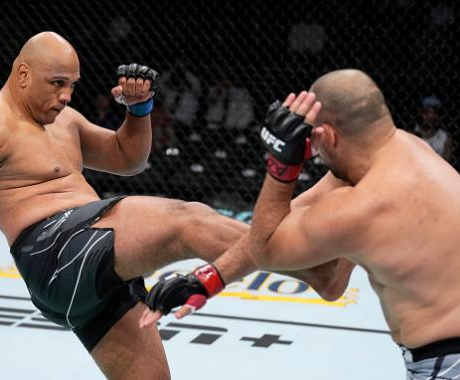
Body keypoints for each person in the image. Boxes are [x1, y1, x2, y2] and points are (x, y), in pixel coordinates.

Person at [0, 32, 342, 380]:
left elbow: (127, 158)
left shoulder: (64, 120)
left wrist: (137, 113)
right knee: (187, 219)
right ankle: (313, 269)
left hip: (87, 278)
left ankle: (300, 233)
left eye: (72, 86)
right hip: (55, 251)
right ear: (22, 74)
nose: (66, 96)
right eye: (57, 83)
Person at [141, 69, 460, 380]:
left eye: (314, 140)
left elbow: (267, 248)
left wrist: (283, 165)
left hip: (446, 361)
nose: (315, 153)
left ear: (327, 136)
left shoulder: (367, 206)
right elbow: (318, 263)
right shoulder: (402, 149)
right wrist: (209, 278)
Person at [412, 95, 454, 164]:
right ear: (421, 113)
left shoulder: (444, 138)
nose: (430, 116)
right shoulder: (412, 134)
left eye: (434, 113)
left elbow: (446, 163)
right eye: (426, 112)